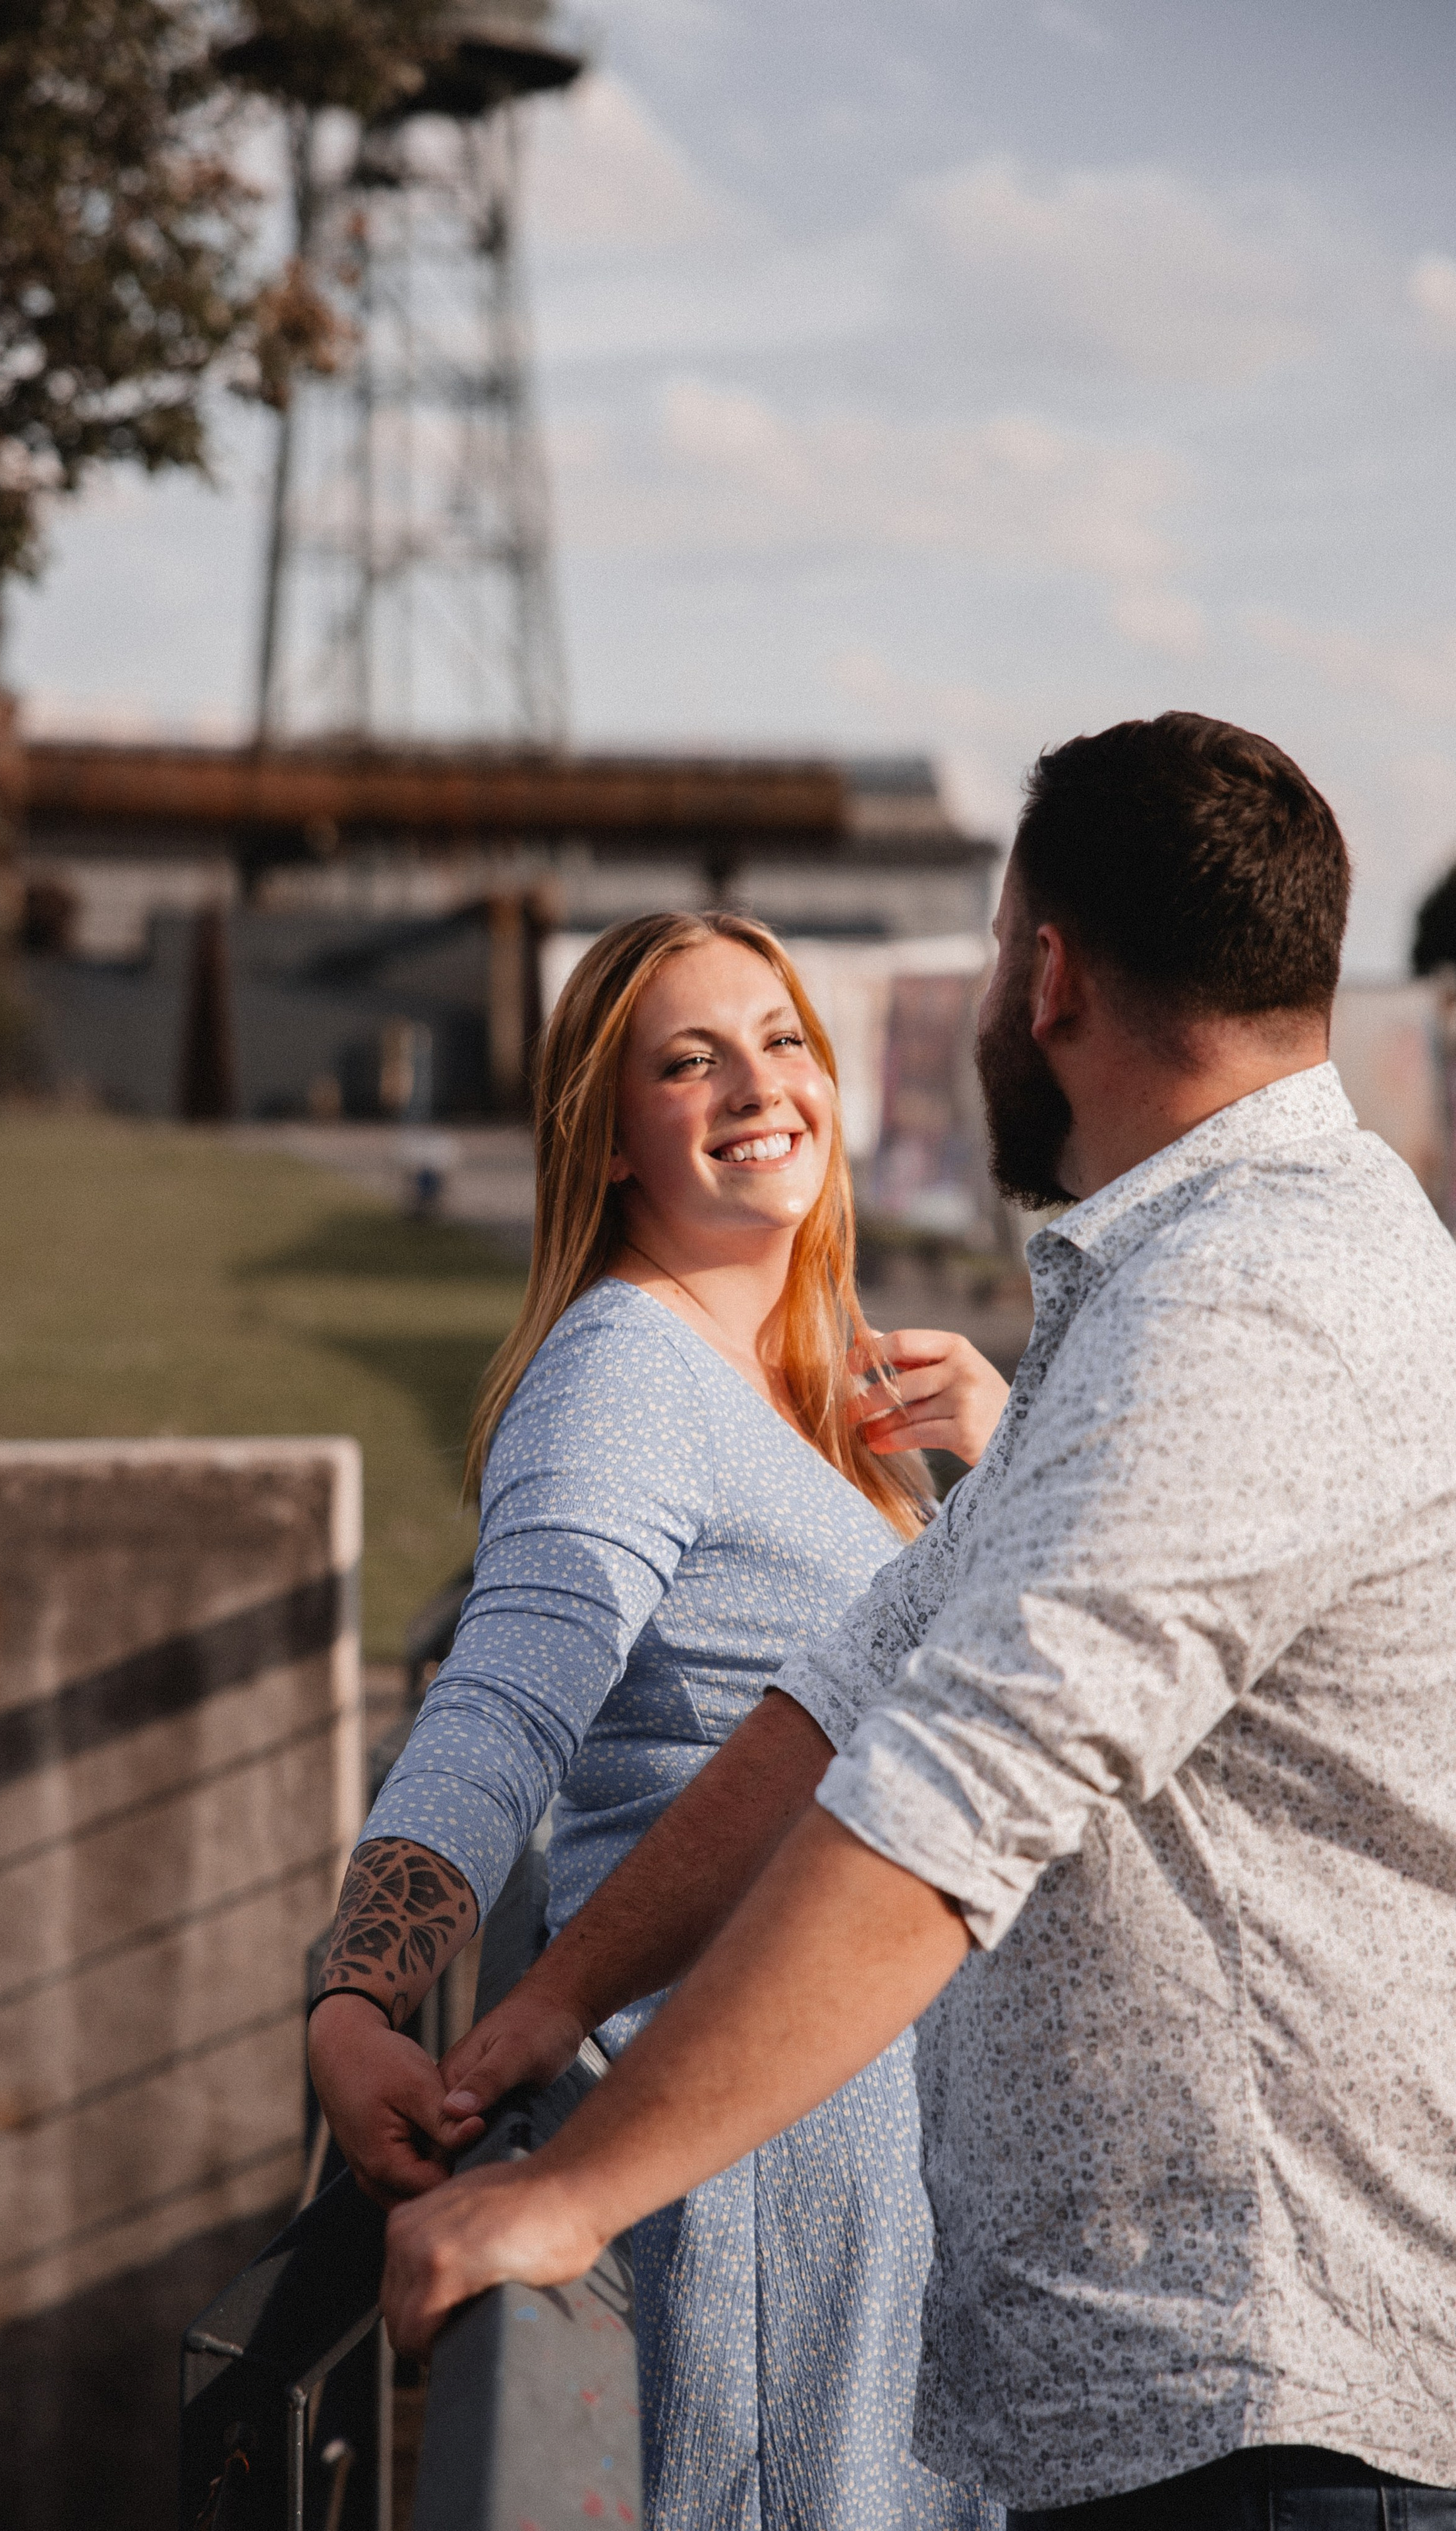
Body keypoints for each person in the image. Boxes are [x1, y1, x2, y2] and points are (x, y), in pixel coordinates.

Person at [382, 714, 1456, 2530]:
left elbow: (957, 1797)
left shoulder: (1252, 1306)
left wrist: (571, 2192)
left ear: (1047, 979)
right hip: (1152, 2398)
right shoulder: (1166, 1287)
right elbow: (844, 1698)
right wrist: (545, 2005)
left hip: (1278, 2402)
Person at [306, 908, 1010, 2530]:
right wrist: (356, 1999)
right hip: (758, 2170)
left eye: (779, 1041)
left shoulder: (808, 1384)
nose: (755, 1084)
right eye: (685, 1060)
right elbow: (503, 1706)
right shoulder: (625, 1367)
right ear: (611, 1139)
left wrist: (1002, 1448)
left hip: (864, 2149)